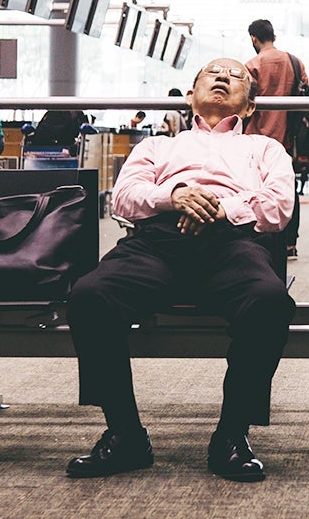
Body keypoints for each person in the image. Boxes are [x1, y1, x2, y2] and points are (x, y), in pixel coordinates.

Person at [65, 58, 296, 483]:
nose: (224, 77)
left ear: (248, 108)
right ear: (190, 95)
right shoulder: (158, 147)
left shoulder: (265, 149)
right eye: (213, 72)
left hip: (233, 243)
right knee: (88, 295)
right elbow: (125, 197)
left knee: (270, 302)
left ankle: (232, 435)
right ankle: (125, 434)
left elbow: (279, 206)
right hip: (157, 242)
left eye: (237, 76)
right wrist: (176, 196)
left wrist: (218, 209)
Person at [244, 18, 309, 259]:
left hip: (257, 140)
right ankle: (290, 243)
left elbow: (243, 102)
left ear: (254, 38)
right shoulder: (295, 62)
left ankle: (263, 241)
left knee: (258, 191)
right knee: (287, 189)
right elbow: (306, 98)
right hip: (287, 140)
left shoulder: (252, 65)